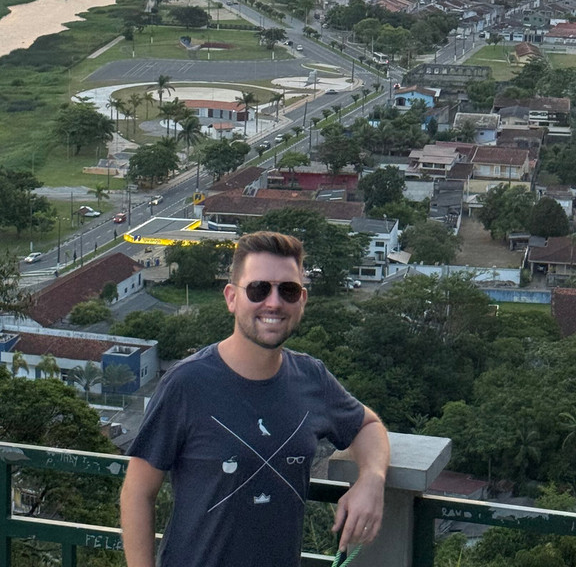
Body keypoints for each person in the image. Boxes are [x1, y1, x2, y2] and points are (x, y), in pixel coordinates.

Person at [120, 231, 389, 567]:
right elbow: (137, 493)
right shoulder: (187, 384)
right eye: (258, 289)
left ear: (302, 300)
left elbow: (367, 426)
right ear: (232, 297)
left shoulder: (311, 378)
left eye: (287, 290)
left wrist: (371, 480)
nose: (273, 302)